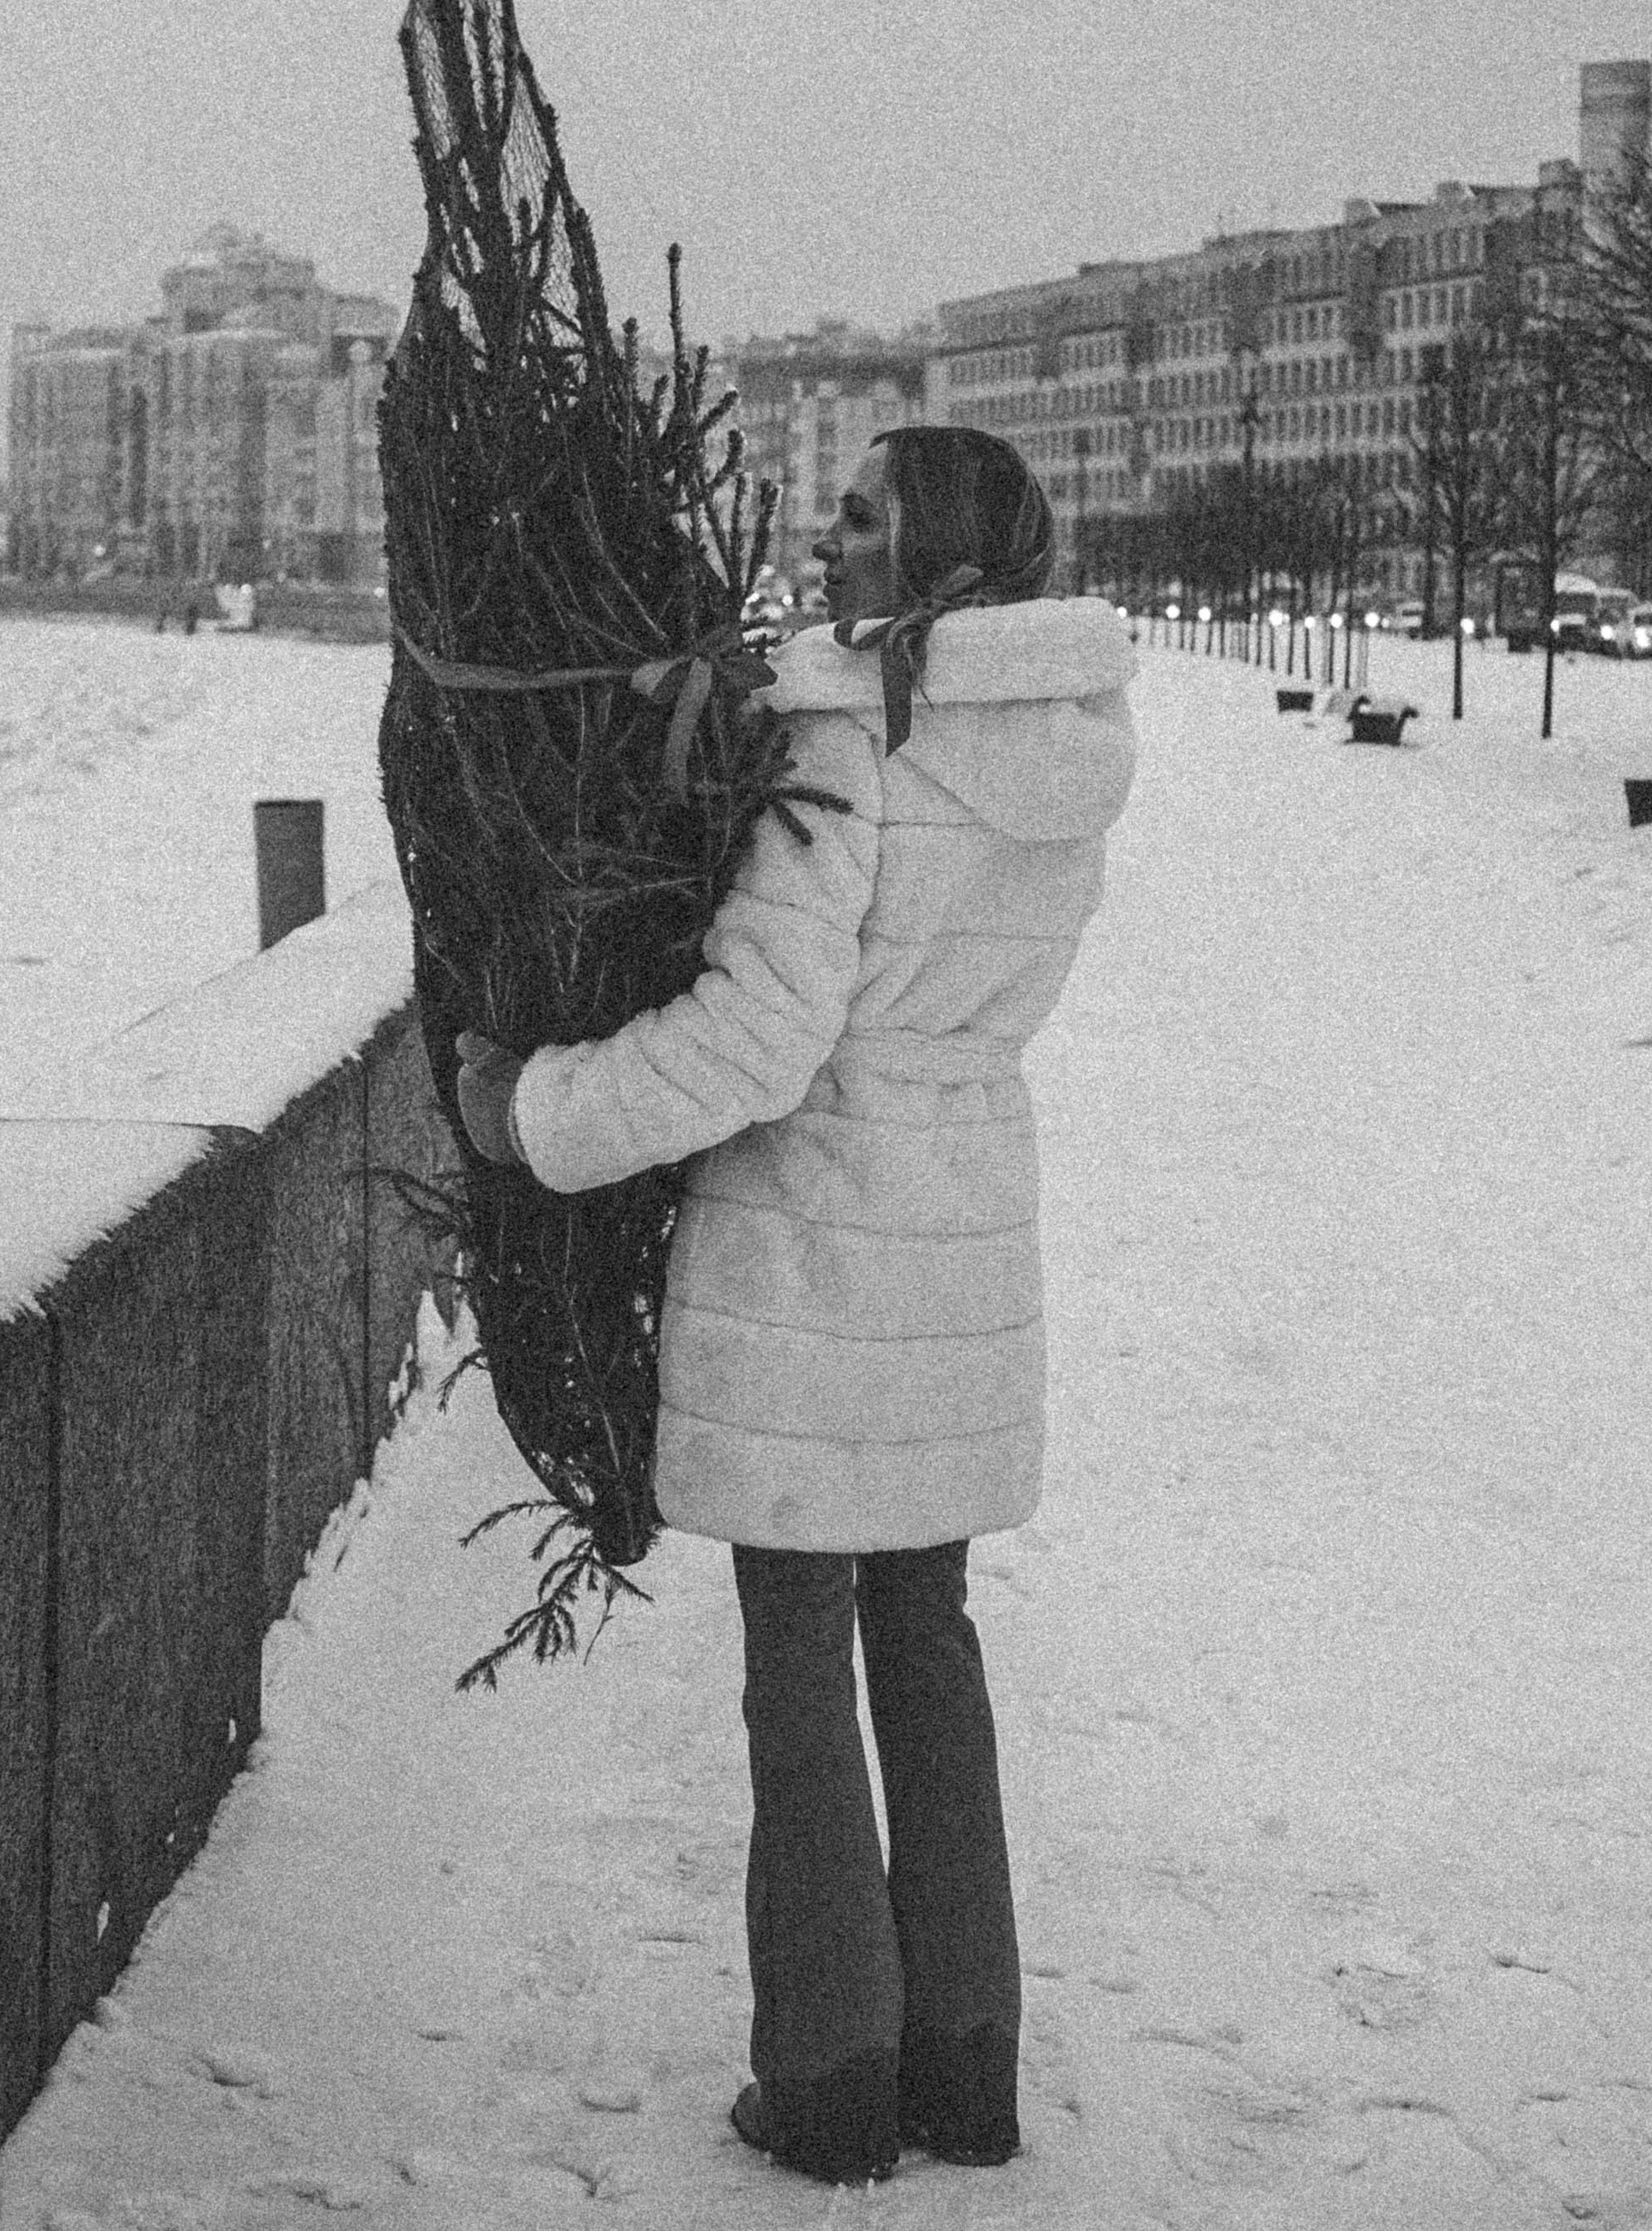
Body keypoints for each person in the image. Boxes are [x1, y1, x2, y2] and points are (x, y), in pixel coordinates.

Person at [455, 424, 1137, 2186]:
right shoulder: (1060, 749)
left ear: (930, 555)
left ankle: (829, 2082)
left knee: (793, 1658)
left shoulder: (849, 745)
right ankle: (964, 2073)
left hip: (823, 1236)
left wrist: (529, 1111)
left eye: (859, 519)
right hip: (964, 1218)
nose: (823, 542)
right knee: (927, 1641)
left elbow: (759, 1042)